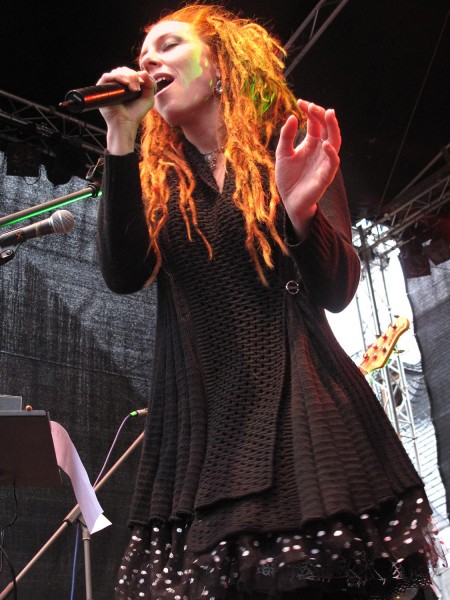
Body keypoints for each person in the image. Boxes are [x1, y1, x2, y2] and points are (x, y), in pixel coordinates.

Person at [95, 4, 445, 599]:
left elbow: (338, 291)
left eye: (170, 45)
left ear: (222, 65)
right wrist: (120, 133)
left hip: (308, 415)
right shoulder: (159, 182)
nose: (148, 60)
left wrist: (299, 212)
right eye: (143, 53)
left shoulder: (292, 151)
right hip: (207, 433)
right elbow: (123, 274)